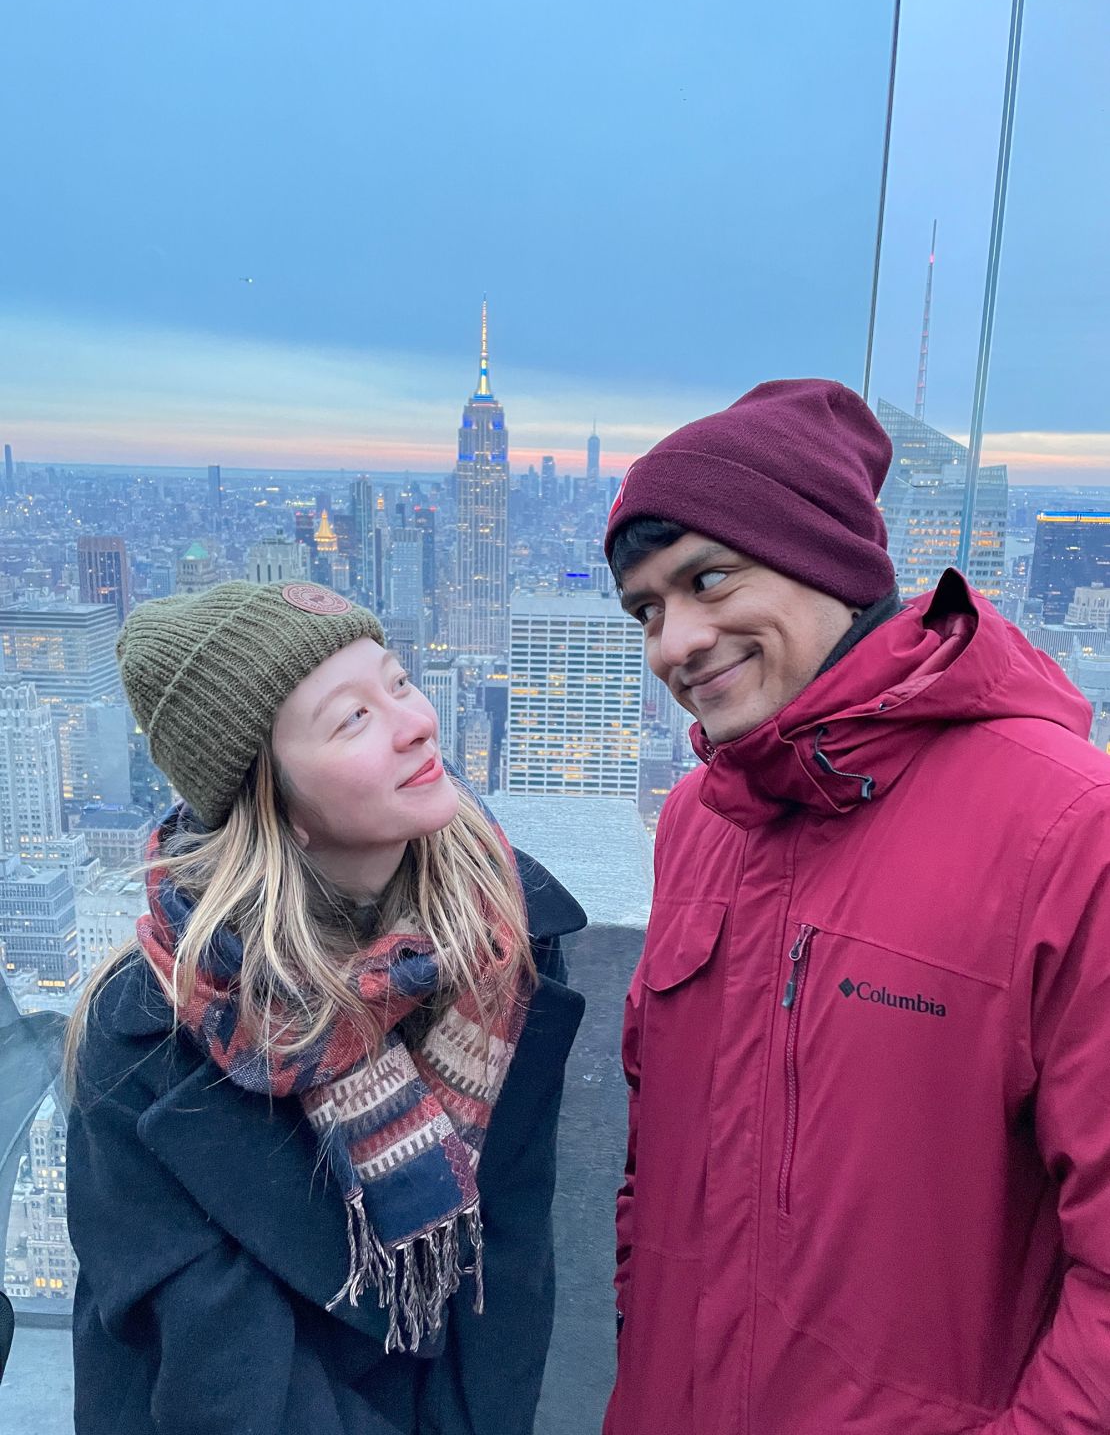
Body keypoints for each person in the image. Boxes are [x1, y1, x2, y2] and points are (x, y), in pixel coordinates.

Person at [601, 379, 1110, 1434]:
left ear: (828, 562)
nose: (675, 642)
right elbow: (653, 1172)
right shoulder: (700, 817)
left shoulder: (1067, 830)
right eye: (647, 608)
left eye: (709, 579)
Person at [65, 580, 586, 1435]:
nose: (415, 723)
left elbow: (506, 1271)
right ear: (278, 804)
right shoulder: (150, 1034)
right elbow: (222, 1371)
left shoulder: (499, 942)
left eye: (398, 682)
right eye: (353, 719)